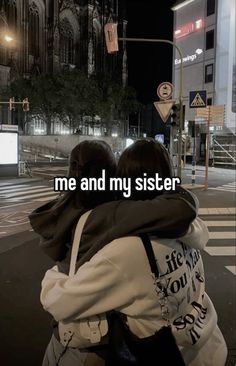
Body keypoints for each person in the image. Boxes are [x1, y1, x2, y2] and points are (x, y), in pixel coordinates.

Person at [39, 139, 227, 365]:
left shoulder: (125, 252)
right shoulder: (188, 228)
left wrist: (52, 277)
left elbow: (61, 303)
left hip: (168, 355)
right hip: (208, 348)